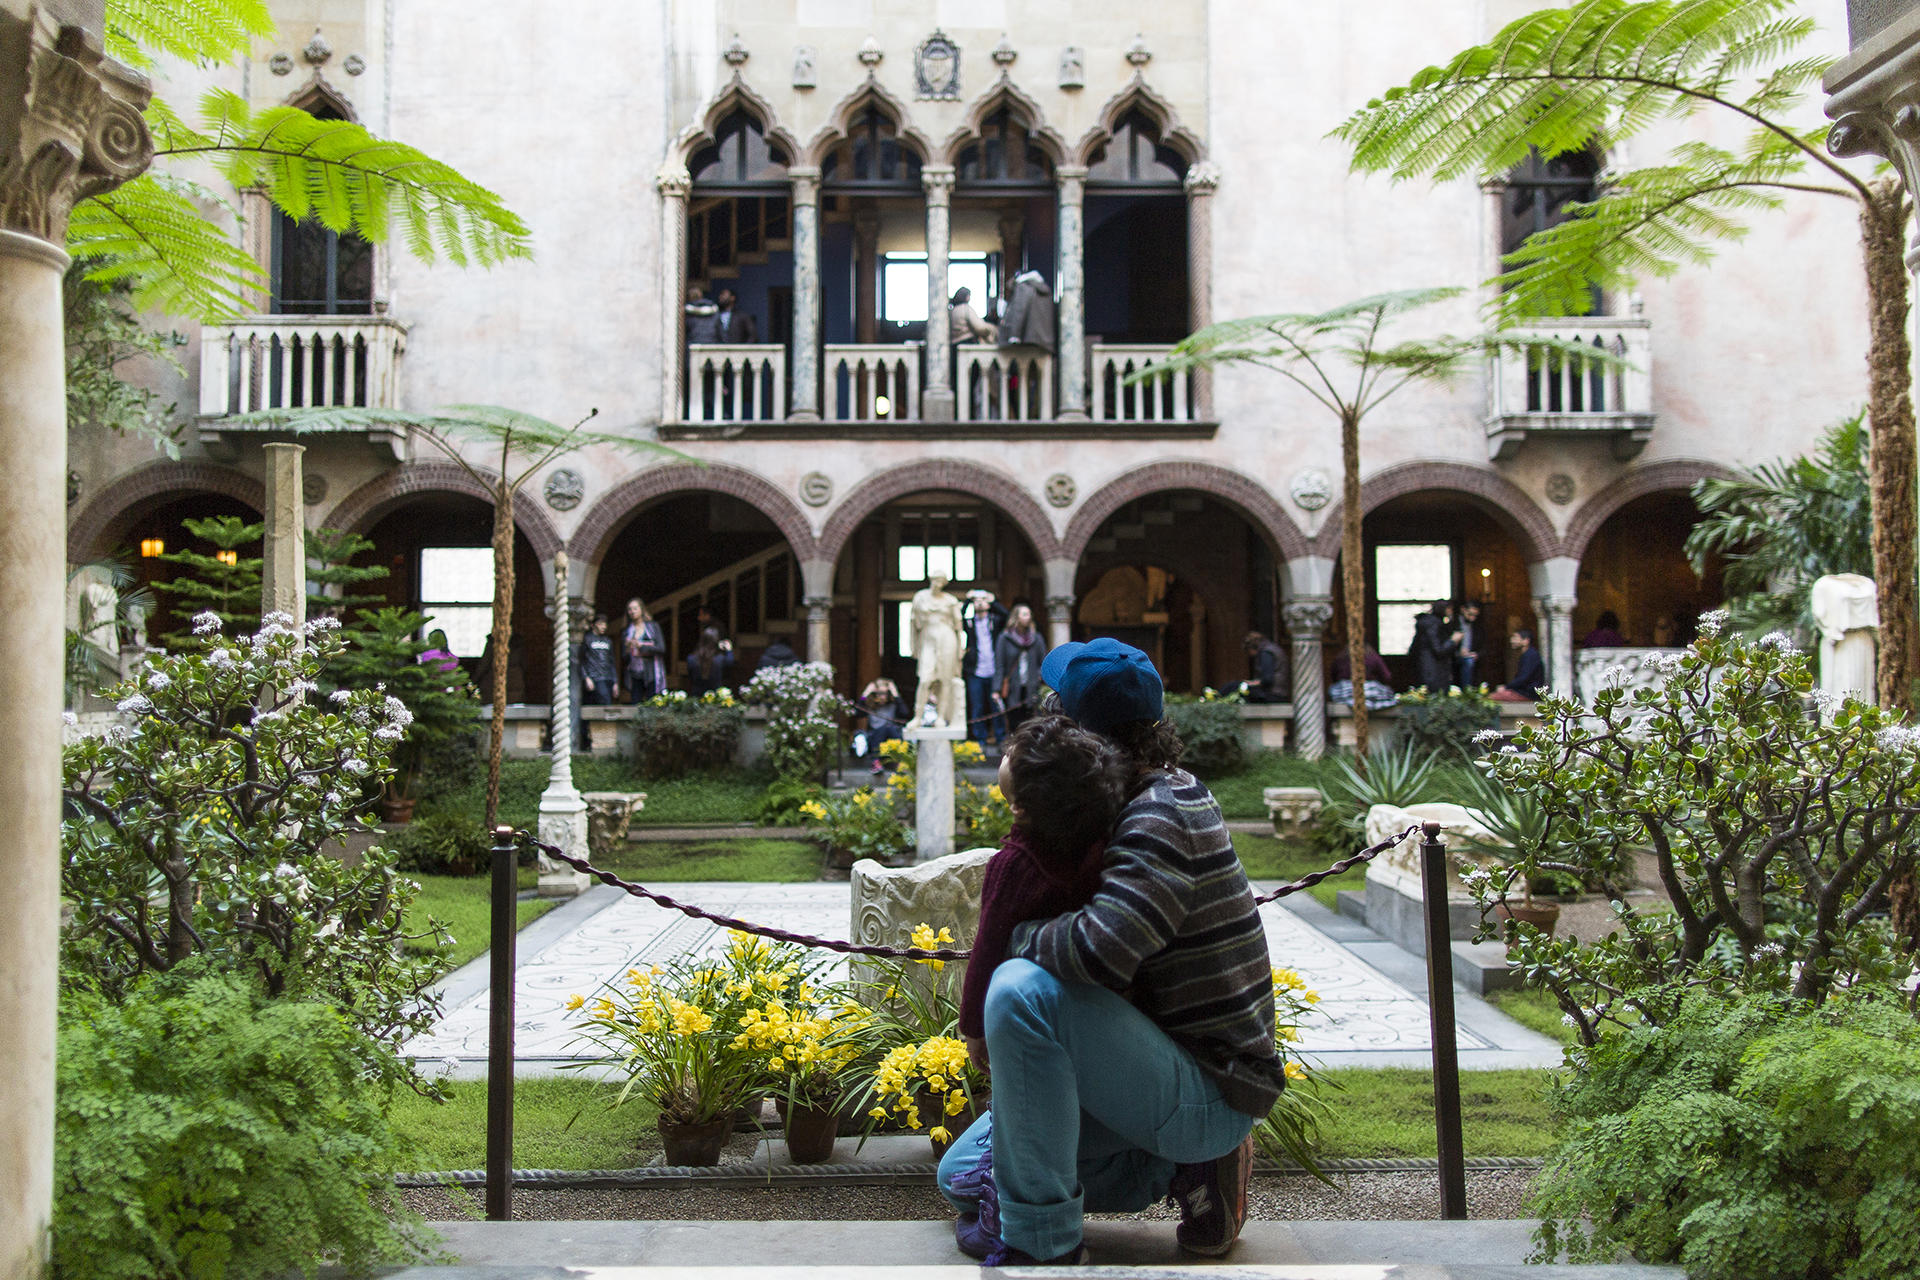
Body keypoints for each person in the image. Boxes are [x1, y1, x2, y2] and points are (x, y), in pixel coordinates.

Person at [938, 637, 1284, 1265]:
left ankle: (1043, 1244)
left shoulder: (1158, 815)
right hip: (1155, 1069)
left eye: (1053, 712)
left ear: (1077, 735)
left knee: (1018, 990)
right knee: (960, 1174)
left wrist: (1014, 937)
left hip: (1210, 1085)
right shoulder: (1129, 801)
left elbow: (1102, 953)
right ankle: (1181, 1172)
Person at [950, 714, 1130, 1262]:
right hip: (1094, 1020)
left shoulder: (1015, 864)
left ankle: (1016, 1219)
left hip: (1025, 1018)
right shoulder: (1102, 847)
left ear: (1029, 807)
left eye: (1013, 802)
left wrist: (973, 1029)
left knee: (1018, 1102)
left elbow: (986, 951)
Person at [963, 589, 1008, 746]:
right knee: (977, 706)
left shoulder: (994, 621)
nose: (980, 602)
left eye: (983, 599)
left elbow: (1007, 616)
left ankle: (1000, 737)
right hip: (975, 671)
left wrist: (993, 601)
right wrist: (967, 600)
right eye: (977, 600)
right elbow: (958, 616)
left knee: (996, 706)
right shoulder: (969, 622)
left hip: (994, 670)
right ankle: (980, 739)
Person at [995, 603, 1048, 736]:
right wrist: (996, 689)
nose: (1027, 617)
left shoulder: (1036, 638)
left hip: (1031, 686)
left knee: (1031, 720)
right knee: (1013, 720)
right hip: (1013, 686)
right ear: (1016, 617)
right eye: (1024, 614)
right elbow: (999, 665)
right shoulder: (1005, 638)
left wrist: (1039, 676)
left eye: (1029, 614)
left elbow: (1043, 662)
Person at [859, 677, 908, 775]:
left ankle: (899, 761)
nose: (882, 697)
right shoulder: (869, 706)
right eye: (879, 693)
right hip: (875, 740)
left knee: (891, 728)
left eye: (885, 693)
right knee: (882, 729)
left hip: (892, 739)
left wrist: (896, 694)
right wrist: (865, 694)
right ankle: (876, 763)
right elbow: (857, 713)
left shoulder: (894, 704)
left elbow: (904, 713)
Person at [621, 598, 666, 703]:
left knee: (652, 704)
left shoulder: (653, 627)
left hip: (651, 672)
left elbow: (661, 648)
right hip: (634, 673)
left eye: (635, 608)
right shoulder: (627, 631)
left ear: (641, 609)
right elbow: (624, 657)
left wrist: (641, 646)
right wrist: (628, 648)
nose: (632, 612)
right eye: (629, 609)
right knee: (635, 705)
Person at [1329, 644, 1397, 711]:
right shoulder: (1373, 657)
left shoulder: (1341, 657)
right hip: (1364, 691)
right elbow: (1387, 677)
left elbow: (1333, 676)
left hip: (1346, 692)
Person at [1410, 599, 1458, 694]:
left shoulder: (1429, 622)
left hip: (1425, 664)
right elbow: (1438, 649)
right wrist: (1453, 641)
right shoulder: (1433, 624)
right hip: (1433, 668)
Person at [1492, 628, 1546, 701]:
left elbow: (1523, 678)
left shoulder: (1531, 655)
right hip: (1524, 692)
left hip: (1528, 693)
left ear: (1526, 641)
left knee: (1492, 697)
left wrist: (1506, 687)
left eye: (1515, 638)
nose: (1512, 641)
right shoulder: (1527, 654)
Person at [684, 626, 734, 697]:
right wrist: (729, 650)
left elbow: (690, 676)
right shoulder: (720, 659)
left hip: (696, 696)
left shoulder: (691, 659)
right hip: (715, 696)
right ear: (716, 642)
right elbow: (730, 663)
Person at [1241, 631, 1289, 703]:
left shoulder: (1266, 653)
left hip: (1273, 693)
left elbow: (1268, 679)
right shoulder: (1272, 649)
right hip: (1280, 692)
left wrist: (1254, 683)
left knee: (1236, 687)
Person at [1453, 601, 1482, 687]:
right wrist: (1458, 651)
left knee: (1469, 661)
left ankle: (1467, 691)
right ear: (1463, 610)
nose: (1472, 618)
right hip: (1453, 656)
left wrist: (1476, 654)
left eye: (1475, 615)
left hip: (1470, 657)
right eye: (1470, 614)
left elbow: (1484, 647)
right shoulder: (1453, 623)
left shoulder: (1478, 626)